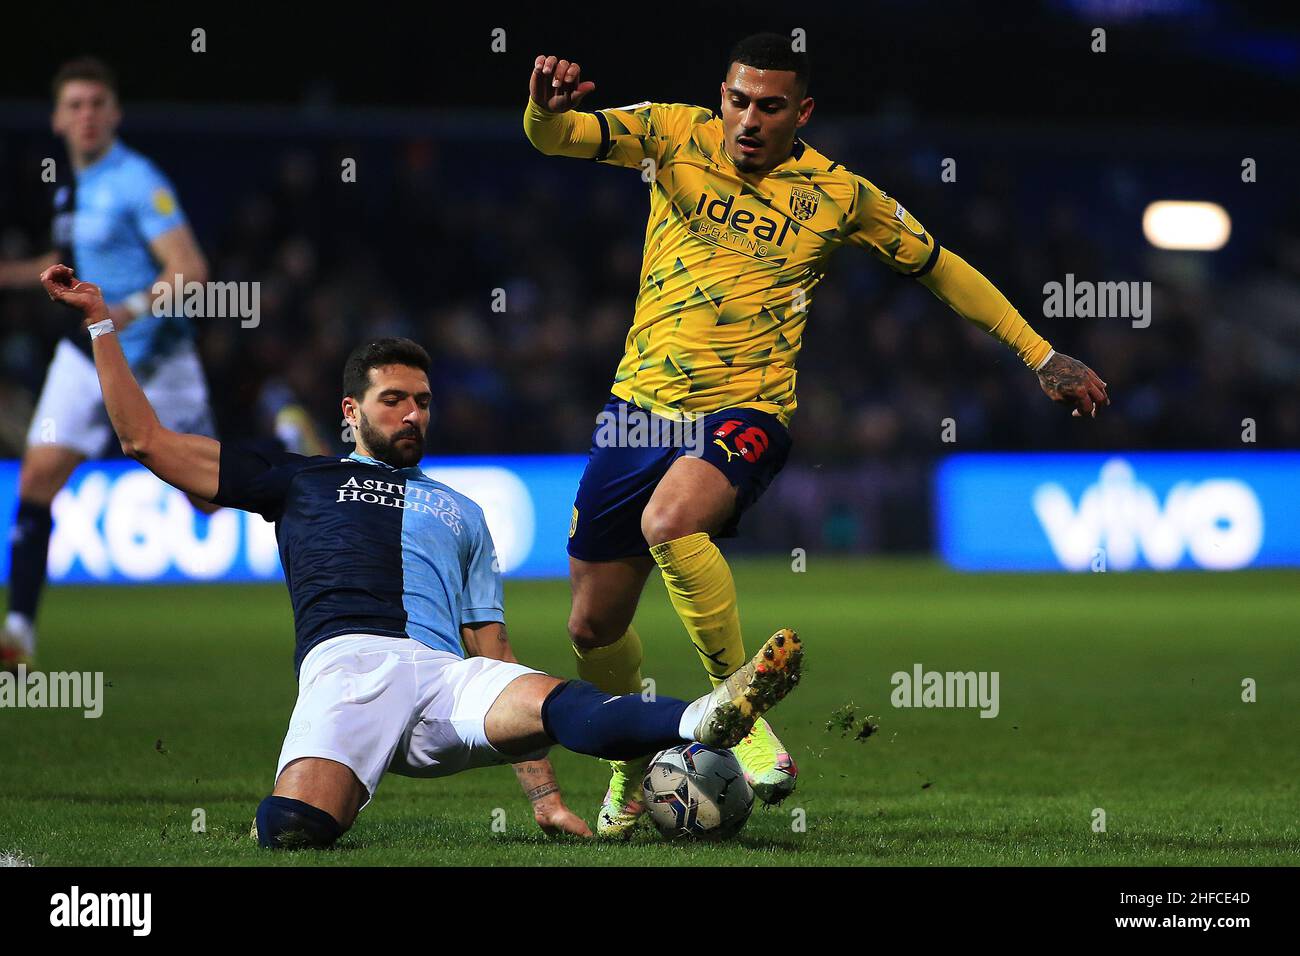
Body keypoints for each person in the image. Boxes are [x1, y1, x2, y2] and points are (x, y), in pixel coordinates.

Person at [523, 32, 1108, 835]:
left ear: (802, 112)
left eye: (770, 106)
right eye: (738, 100)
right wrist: (542, 108)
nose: (749, 120)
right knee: (593, 628)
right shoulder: (669, 134)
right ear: (719, 95)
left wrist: (1040, 353)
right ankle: (629, 766)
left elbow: (940, 266)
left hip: (745, 411)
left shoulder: (838, 195)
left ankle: (742, 710)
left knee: (671, 521)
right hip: (636, 412)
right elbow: (559, 137)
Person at [38, 261, 803, 847]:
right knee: (294, 831)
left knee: (561, 700)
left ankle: (705, 717)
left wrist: (542, 798)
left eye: (423, 402)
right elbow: (145, 440)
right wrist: (102, 324)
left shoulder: (462, 509)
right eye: (393, 401)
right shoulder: (296, 479)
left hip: (448, 682)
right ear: (351, 412)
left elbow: (491, 646)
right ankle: (305, 801)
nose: (412, 415)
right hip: (348, 671)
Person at [0, 57, 324, 672]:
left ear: (115, 114)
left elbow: (191, 270)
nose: (87, 115)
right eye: (75, 104)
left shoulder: (136, 179)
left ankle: (283, 437)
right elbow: (73, 254)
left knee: (205, 496)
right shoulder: (72, 185)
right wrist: (17, 274)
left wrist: (124, 309)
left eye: (98, 103)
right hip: (88, 350)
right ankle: (17, 637)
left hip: (155, 358)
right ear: (57, 118)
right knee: (37, 477)